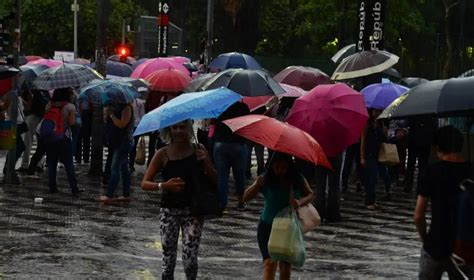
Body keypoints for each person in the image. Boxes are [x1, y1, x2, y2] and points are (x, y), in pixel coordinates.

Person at [141, 120, 216, 280]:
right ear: (169, 130)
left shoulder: (198, 149)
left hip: (193, 210)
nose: (179, 131)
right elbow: (145, 183)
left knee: (190, 258)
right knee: (168, 258)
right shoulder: (163, 153)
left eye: (182, 127)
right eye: (175, 127)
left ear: (188, 128)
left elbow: (215, 179)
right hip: (169, 210)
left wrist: (206, 161)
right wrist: (164, 185)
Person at [414, 126, 474, 279]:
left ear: (437, 148)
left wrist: (425, 239)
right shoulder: (471, 171)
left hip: (436, 244)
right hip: (464, 248)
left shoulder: (431, 172)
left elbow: (418, 216)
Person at [243, 152, 314, 280]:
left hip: (287, 230)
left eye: (283, 167)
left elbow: (310, 194)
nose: (280, 170)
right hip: (267, 227)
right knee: (269, 264)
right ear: (271, 166)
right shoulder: (266, 178)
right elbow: (245, 197)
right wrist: (256, 185)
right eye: (277, 167)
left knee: (285, 268)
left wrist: (299, 202)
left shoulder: (296, 178)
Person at [213, 101, 250, 211]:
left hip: (220, 143)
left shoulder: (219, 105)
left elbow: (212, 121)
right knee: (239, 175)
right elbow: (247, 124)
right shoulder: (243, 106)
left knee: (222, 176)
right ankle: (241, 202)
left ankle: (222, 204)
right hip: (238, 143)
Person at [45, 88, 81, 195]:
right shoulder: (70, 106)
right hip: (64, 137)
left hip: (51, 137)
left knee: (52, 163)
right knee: (69, 164)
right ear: (67, 95)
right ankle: (74, 188)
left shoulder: (49, 105)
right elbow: (71, 122)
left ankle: (52, 187)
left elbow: (46, 118)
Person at [98, 101, 133, 203]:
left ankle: (110, 194)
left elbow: (122, 124)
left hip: (123, 141)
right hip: (116, 141)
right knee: (124, 169)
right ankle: (126, 194)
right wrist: (107, 114)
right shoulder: (114, 107)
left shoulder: (127, 108)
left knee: (115, 169)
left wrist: (111, 115)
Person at [360, 108, 391, 210]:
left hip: (380, 154)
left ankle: (374, 200)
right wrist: (362, 157)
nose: (378, 113)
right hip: (370, 154)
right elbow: (363, 141)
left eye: (380, 111)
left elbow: (384, 139)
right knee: (372, 178)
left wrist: (385, 133)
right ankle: (369, 201)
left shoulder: (381, 123)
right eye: (376, 111)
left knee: (382, 176)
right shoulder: (367, 123)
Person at [129, 98, 145, 172]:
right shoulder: (139, 102)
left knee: (133, 146)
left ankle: (130, 165)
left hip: (135, 126)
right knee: (132, 146)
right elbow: (142, 116)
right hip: (133, 126)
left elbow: (142, 116)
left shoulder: (139, 102)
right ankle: (130, 165)